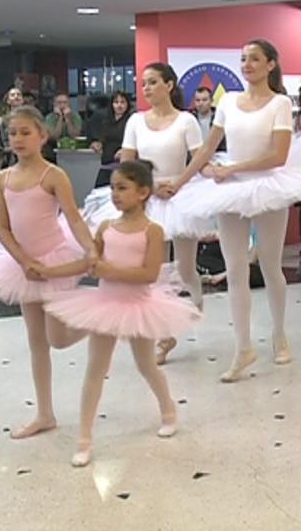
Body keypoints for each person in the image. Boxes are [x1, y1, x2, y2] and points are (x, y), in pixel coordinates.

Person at [168, 39, 301, 383]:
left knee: (271, 265)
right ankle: (243, 347)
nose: (246, 64)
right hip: (231, 187)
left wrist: (232, 168)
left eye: (254, 59)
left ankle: (278, 333)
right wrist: (182, 180)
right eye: (243, 59)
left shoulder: (280, 103)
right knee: (234, 268)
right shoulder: (228, 100)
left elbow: (279, 155)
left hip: (268, 185)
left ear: (271, 64)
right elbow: (208, 148)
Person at [39, 160, 200, 466]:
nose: (115, 194)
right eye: (113, 187)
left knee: (146, 365)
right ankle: (85, 438)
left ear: (143, 192)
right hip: (106, 305)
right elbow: (90, 262)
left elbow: (149, 274)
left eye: (122, 188)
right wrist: (51, 270)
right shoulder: (105, 227)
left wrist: (110, 269)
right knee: (95, 370)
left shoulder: (153, 231)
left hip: (138, 306)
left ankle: (168, 408)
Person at [0, 106, 97, 440]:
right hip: (21, 263)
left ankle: (98, 323)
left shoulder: (53, 175)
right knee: (36, 343)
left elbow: (75, 218)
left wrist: (90, 249)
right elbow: (4, 229)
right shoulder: (2, 178)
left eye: (26, 132)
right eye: (13, 133)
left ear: (42, 135)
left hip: (54, 259)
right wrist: (24, 261)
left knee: (58, 338)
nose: (18, 139)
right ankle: (45, 413)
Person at [110, 64, 213, 365]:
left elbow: (199, 158)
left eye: (153, 82)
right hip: (148, 197)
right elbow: (127, 163)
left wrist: (179, 183)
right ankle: (163, 333)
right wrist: (151, 187)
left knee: (185, 269)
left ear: (169, 85)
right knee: (154, 269)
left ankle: (190, 307)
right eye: (143, 84)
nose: (147, 89)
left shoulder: (186, 121)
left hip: (181, 196)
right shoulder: (135, 121)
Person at [88, 91, 133, 187]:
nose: (119, 105)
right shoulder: (105, 120)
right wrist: (97, 143)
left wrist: (125, 151)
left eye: (122, 102)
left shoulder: (131, 121)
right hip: (106, 163)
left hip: (121, 165)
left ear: (127, 104)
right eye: (116, 102)